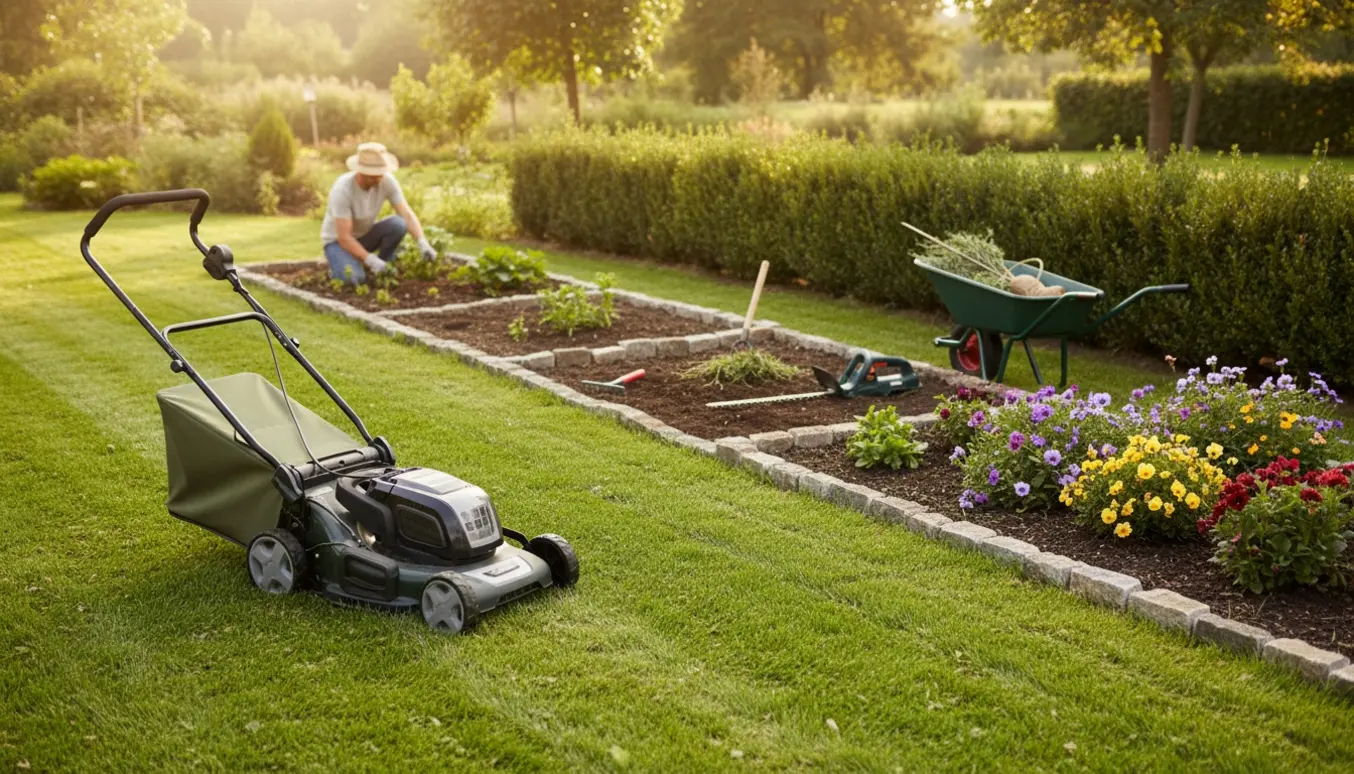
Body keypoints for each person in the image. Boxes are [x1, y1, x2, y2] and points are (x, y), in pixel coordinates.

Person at [320, 141, 436, 284]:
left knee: (398, 224)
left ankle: (383, 263)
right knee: (353, 278)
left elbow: (406, 214)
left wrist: (422, 242)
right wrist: (370, 260)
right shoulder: (343, 190)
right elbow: (344, 237)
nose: (379, 178)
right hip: (338, 243)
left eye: (380, 173)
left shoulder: (386, 180)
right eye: (373, 175)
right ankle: (341, 266)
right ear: (361, 172)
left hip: (365, 236)